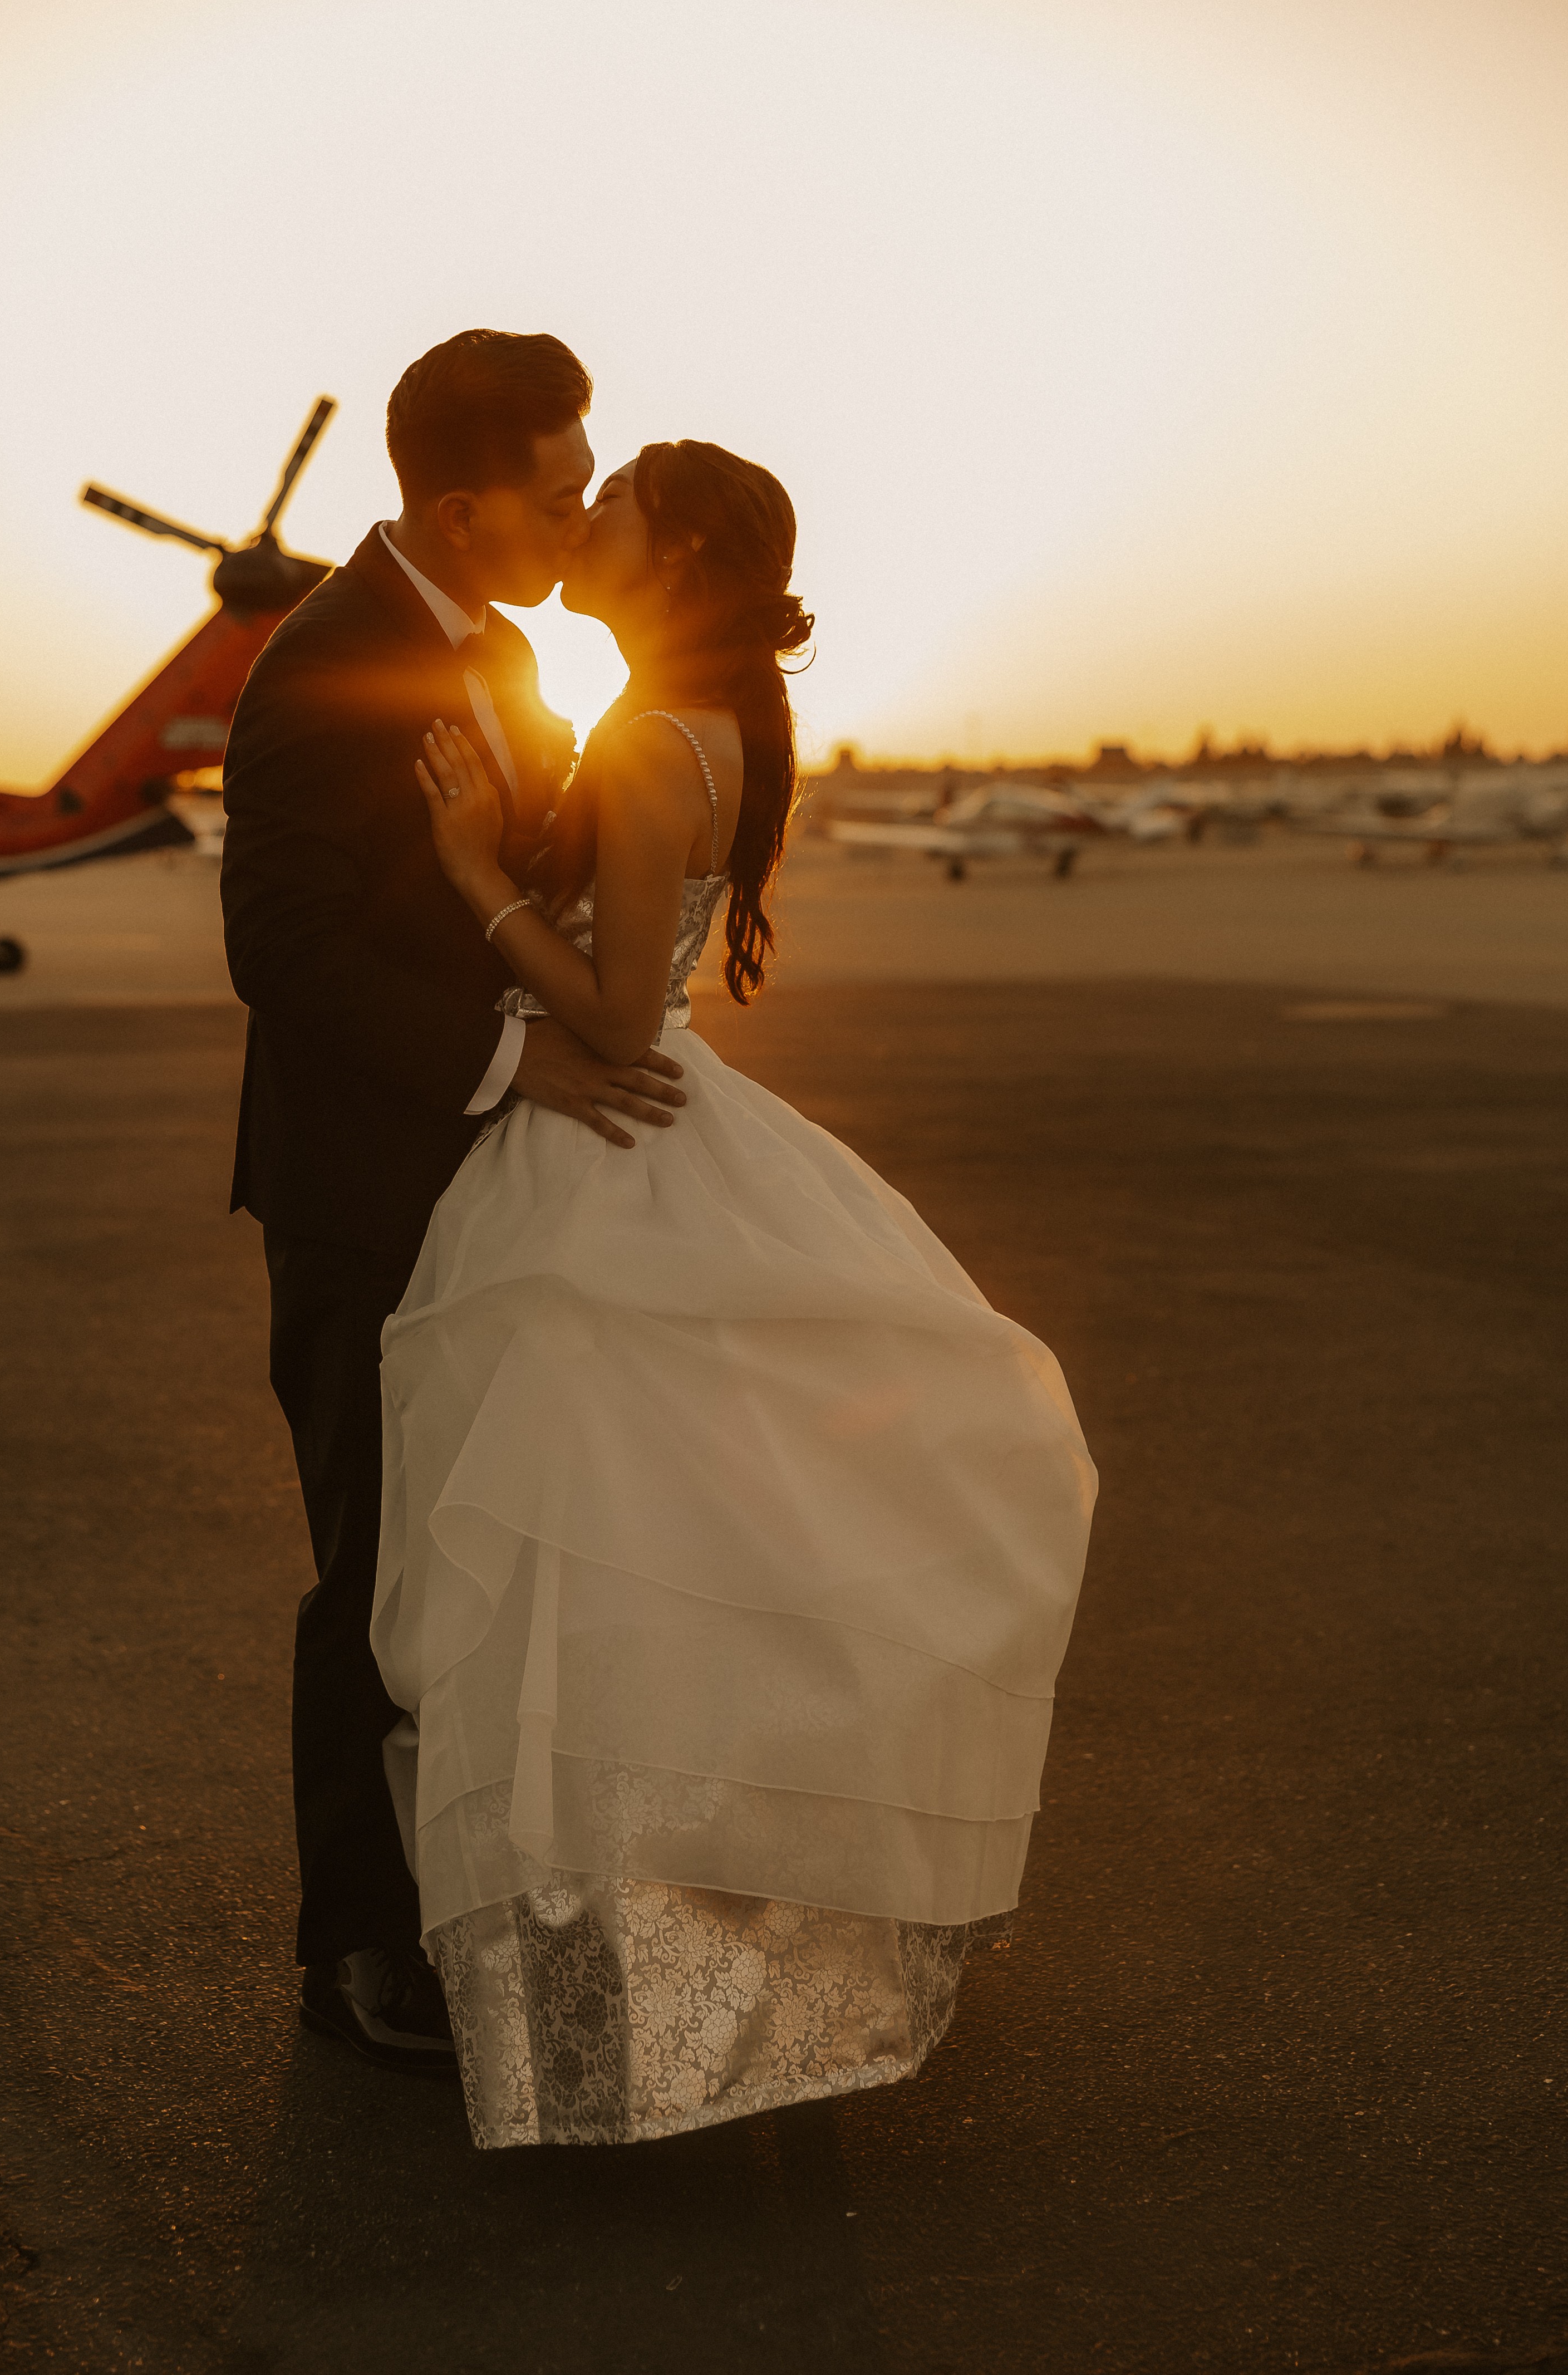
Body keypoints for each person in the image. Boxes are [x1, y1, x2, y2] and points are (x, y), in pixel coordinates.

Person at [371, 438, 1097, 2145]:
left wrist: (478, 868)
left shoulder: (641, 740)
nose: (590, 515)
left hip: (605, 1158)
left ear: (677, 550)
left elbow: (621, 1017)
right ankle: (649, 1991)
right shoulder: (719, 723)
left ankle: (597, 2009)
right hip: (665, 1150)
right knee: (668, 1582)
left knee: (591, 1587)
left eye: (612, 499)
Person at [221, 331, 690, 2077]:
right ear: (458, 495)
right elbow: (280, 950)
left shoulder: (506, 651)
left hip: (495, 1192)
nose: (576, 513)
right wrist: (514, 1058)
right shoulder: (327, 663)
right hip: (362, 1194)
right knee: (375, 1566)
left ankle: (467, 1902)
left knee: (486, 1562)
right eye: (561, 486)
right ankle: (348, 1947)